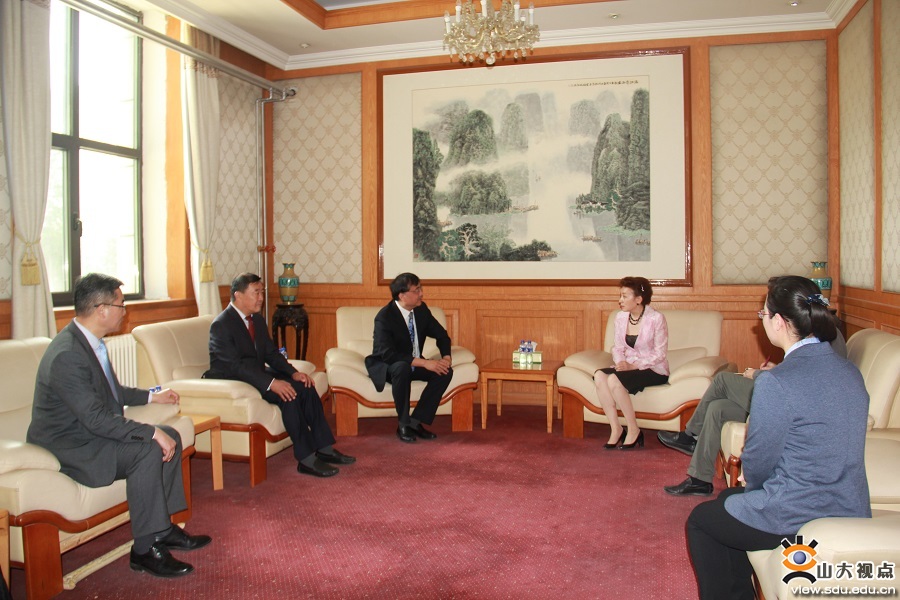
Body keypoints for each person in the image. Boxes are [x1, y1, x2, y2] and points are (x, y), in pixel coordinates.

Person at [686, 276, 870, 599]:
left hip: (799, 511)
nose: (762, 320)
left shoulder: (776, 382)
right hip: (847, 503)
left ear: (779, 322)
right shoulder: (849, 371)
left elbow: (758, 461)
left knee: (701, 521)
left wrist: (753, 483)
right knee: (727, 501)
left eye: (764, 314)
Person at [27, 273, 211, 579]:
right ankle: (144, 550)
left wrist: (152, 396)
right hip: (72, 447)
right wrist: (150, 431)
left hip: (90, 433)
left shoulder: (90, 343)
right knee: (147, 448)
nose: (124, 311)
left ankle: (162, 529)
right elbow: (95, 418)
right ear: (101, 310)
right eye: (121, 305)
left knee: (172, 435)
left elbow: (111, 392)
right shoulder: (67, 355)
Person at [660, 325, 847, 496]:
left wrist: (758, 374)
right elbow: (797, 374)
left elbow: (805, 383)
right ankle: (699, 480)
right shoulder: (809, 331)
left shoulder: (822, 336)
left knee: (722, 380)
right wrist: (775, 369)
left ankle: (690, 435)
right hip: (784, 396)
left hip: (789, 405)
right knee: (718, 409)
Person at [204, 273, 355, 478]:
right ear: (238, 295)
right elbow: (235, 366)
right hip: (235, 381)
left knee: (306, 387)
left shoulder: (256, 320)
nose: (261, 298)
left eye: (262, 292)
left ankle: (324, 448)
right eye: (256, 293)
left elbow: (271, 354)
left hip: (255, 374)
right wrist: (272, 383)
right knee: (288, 395)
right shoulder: (221, 325)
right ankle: (306, 459)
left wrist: (293, 373)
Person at [365, 273, 453, 443]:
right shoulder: (385, 317)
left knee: (445, 371)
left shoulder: (421, 310)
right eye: (417, 290)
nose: (421, 294)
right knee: (402, 367)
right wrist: (425, 363)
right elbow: (388, 355)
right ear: (402, 295)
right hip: (388, 366)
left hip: (414, 363)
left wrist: (446, 358)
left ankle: (415, 421)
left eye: (421, 288)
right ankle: (403, 424)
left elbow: (442, 335)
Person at [592, 276, 668, 449]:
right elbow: (617, 347)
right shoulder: (620, 317)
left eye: (625, 296)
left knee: (614, 379)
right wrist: (621, 363)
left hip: (653, 369)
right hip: (629, 367)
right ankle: (616, 429)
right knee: (600, 375)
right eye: (620, 295)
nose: (620, 300)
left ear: (639, 299)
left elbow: (660, 354)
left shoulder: (656, 318)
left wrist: (633, 366)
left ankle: (633, 429)